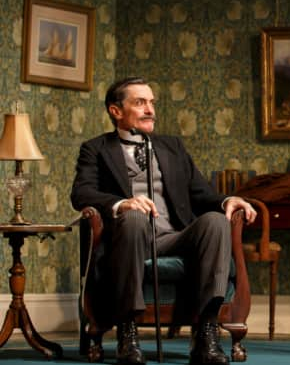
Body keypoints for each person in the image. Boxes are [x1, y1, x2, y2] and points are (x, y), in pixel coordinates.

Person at [71, 77, 257, 365]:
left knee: (216, 222)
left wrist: (226, 201)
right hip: (129, 239)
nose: (150, 110)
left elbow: (200, 192)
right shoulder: (96, 149)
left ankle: (206, 332)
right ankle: (128, 332)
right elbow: (81, 192)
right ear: (115, 111)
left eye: (152, 102)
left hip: (174, 236)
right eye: (140, 102)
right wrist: (122, 204)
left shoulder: (172, 147)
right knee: (133, 218)